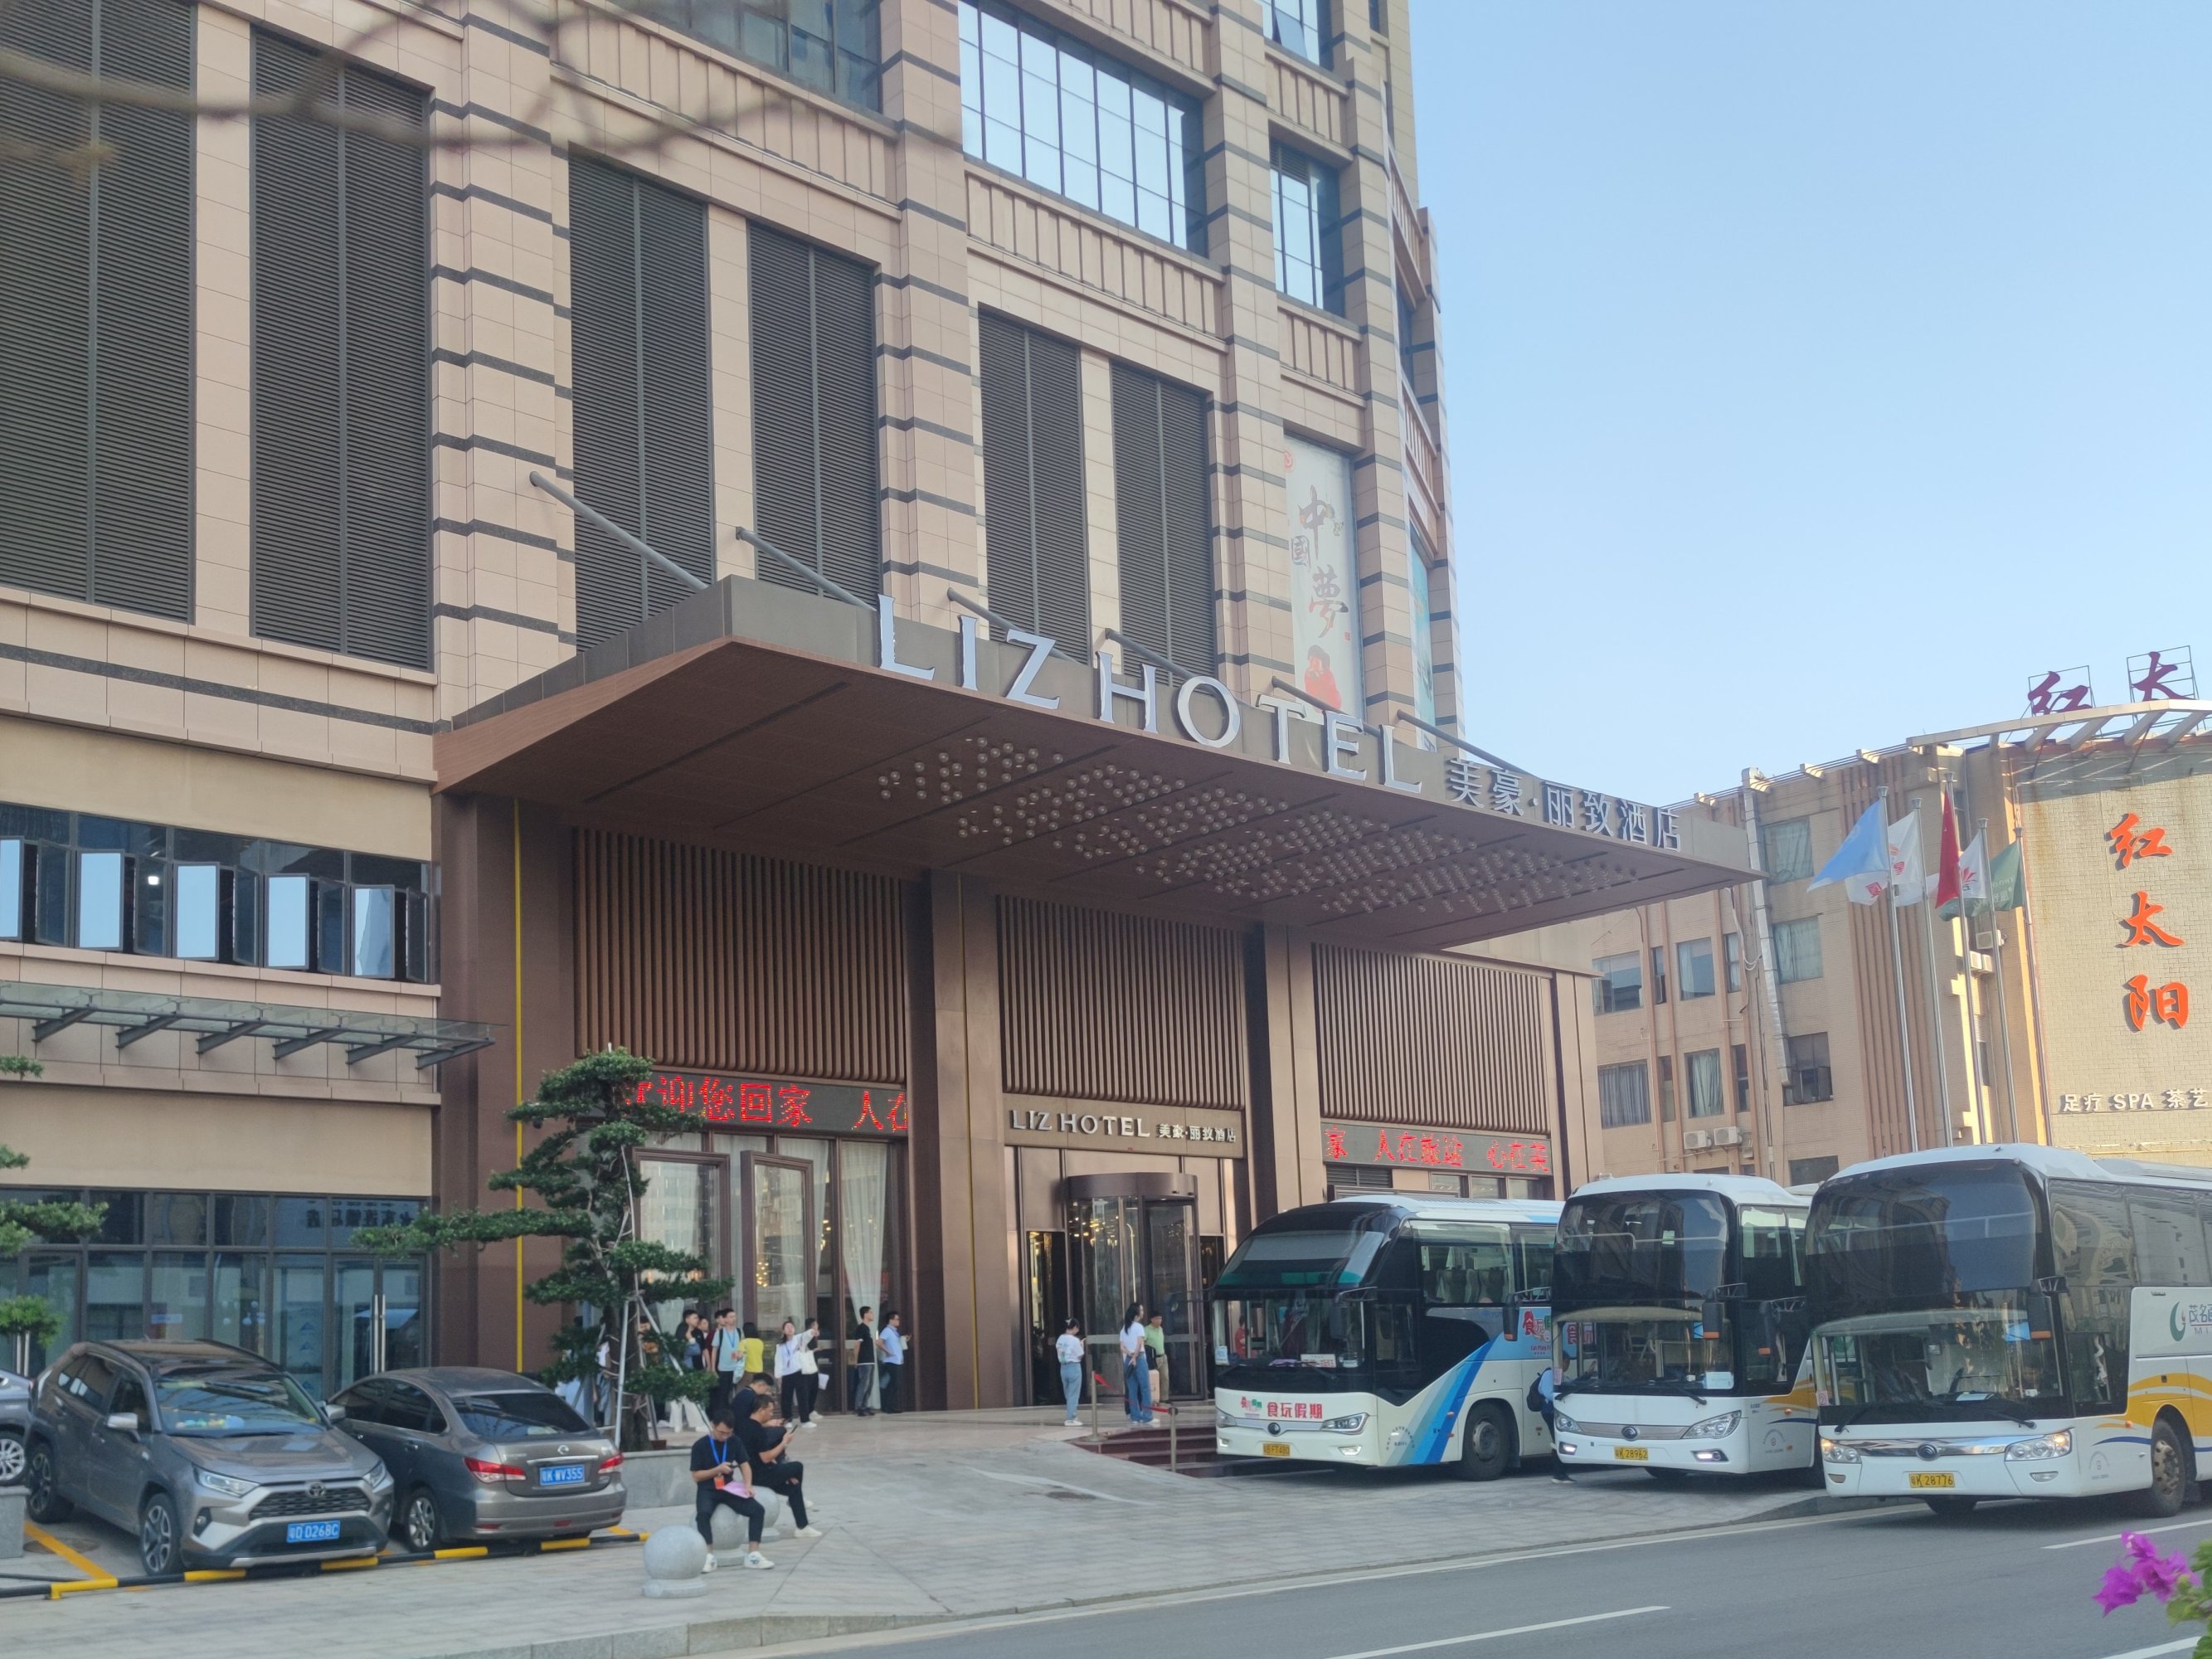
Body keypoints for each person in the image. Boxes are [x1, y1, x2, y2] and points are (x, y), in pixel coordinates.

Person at [690, 1411, 773, 1571]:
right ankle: (708, 1556)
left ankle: (753, 1554)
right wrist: (717, 1470)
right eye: (721, 1432)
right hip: (708, 1488)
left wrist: (748, 1485)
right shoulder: (700, 1445)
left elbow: (745, 1465)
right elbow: (696, 1476)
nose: (725, 1436)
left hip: (728, 1487)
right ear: (713, 1426)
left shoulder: (734, 1441)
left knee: (757, 1510)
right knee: (703, 1514)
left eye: (728, 1433)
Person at [738, 1389, 822, 1539]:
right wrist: (784, 1443)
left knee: (794, 1488)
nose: (771, 1415)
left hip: (756, 1472)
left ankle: (802, 1527)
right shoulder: (757, 1430)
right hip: (761, 1475)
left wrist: (784, 1472)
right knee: (797, 1467)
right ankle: (799, 1514)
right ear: (761, 1410)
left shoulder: (744, 1425)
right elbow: (766, 1457)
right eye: (770, 1411)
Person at [775, 1319, 817, 1429]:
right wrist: (778, 1376)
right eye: (787, 1327)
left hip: (799, 1372)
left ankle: (805, 1420)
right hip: (786, 1374)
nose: (789, 1329)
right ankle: (787, 1419)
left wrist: (812, 1332)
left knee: (803, 1396)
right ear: (783, 1331)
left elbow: (807, 1335)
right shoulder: (780, 1346)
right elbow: (778, 1361)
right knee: (786, 1398)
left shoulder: (799, 1339)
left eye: (791, 1327)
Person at [1536, 1365, 1571, 1484]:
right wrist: (1562, 1397)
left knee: (1557, 1441)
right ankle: (1559, 1474)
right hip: (1549, 1412)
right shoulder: (1549, 1374)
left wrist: (1586, 1375)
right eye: (1567, 1362)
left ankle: (1560, 1473)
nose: (1568, 1365)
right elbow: (1548, 1393)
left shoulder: (1558, 1373)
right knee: (1557, 1441)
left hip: (1553, 1412)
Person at [1119, 1304, 1153, 1425]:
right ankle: (1147, 1416)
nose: (1143, 1312)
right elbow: (1139, 1344)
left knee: (1132, 1389)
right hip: (1139, 1358)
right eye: (1141, 1310)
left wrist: (1130, 1354)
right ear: (1137, 1313)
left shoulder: (1124, 1328)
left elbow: (1122, 1347)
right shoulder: (1139, 1327)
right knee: (1145, 1388)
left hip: (1128, 1359)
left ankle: (1135, 1416)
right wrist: (1135, 1357)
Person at [708, 1309, 742, 1420]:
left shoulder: (739, 1331)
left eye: (734, 1316)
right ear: (725, 1319)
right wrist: (713, 1368)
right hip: (724, 1368)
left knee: (736, 1393)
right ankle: (722, 1418)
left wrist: (741, 1355)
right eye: (731, 1317)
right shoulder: (720, 1333)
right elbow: (714, 1351)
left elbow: (742, 1347)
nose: (733, 1319)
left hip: (737, 1368)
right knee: (723, 1394)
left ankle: (734, 1416)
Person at [1055, 1319, 1086, 1426]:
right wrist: (1082, 1345)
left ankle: (1070, 1415)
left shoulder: (1060, 1339)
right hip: (1074, 1366)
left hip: (1063, 1367)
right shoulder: (1075, 1340)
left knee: (1068, 1393)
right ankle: (1071, 1418)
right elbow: (1080, 1355)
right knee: (1074, 1394)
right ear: (1075, 1327)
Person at [851, 1306, 878, 1416]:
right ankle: (858, 1407)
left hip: (870, 1360)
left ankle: (865, 1405)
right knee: (864, 1384)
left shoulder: (868, 1329)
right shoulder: (861, 1328)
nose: (872, 1314)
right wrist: (856, 1360)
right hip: (864, 1361)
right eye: (870, 1312)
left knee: (870, 1385)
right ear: (865, 1314)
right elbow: (857, 1345)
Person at [878, 1311, 907, 1413]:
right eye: (896, 1319)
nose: (898, 1321)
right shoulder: (887, 1330)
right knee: (893, 1384)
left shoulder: (895, 1332)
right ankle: (888, 1406)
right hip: (891, 1361)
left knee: (895, 1384)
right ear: (891, 1320)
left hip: (897, 1361)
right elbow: (879, 1342)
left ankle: (890, 1405)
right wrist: (887, 1352)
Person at [1144, 1311, 1169, 1404]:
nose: (1159, 1320)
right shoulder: (1147, 1330)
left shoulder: (1161, 1329)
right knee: (1153, 1378)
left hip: (1163, 1356)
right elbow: (1143, 1342)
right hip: (1153, 1358)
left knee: (1165, 1377)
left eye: (1160, 1318)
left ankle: (1164, 1398)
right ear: (1152, 1320)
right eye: (1157, 1318)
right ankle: (1154, 1398)